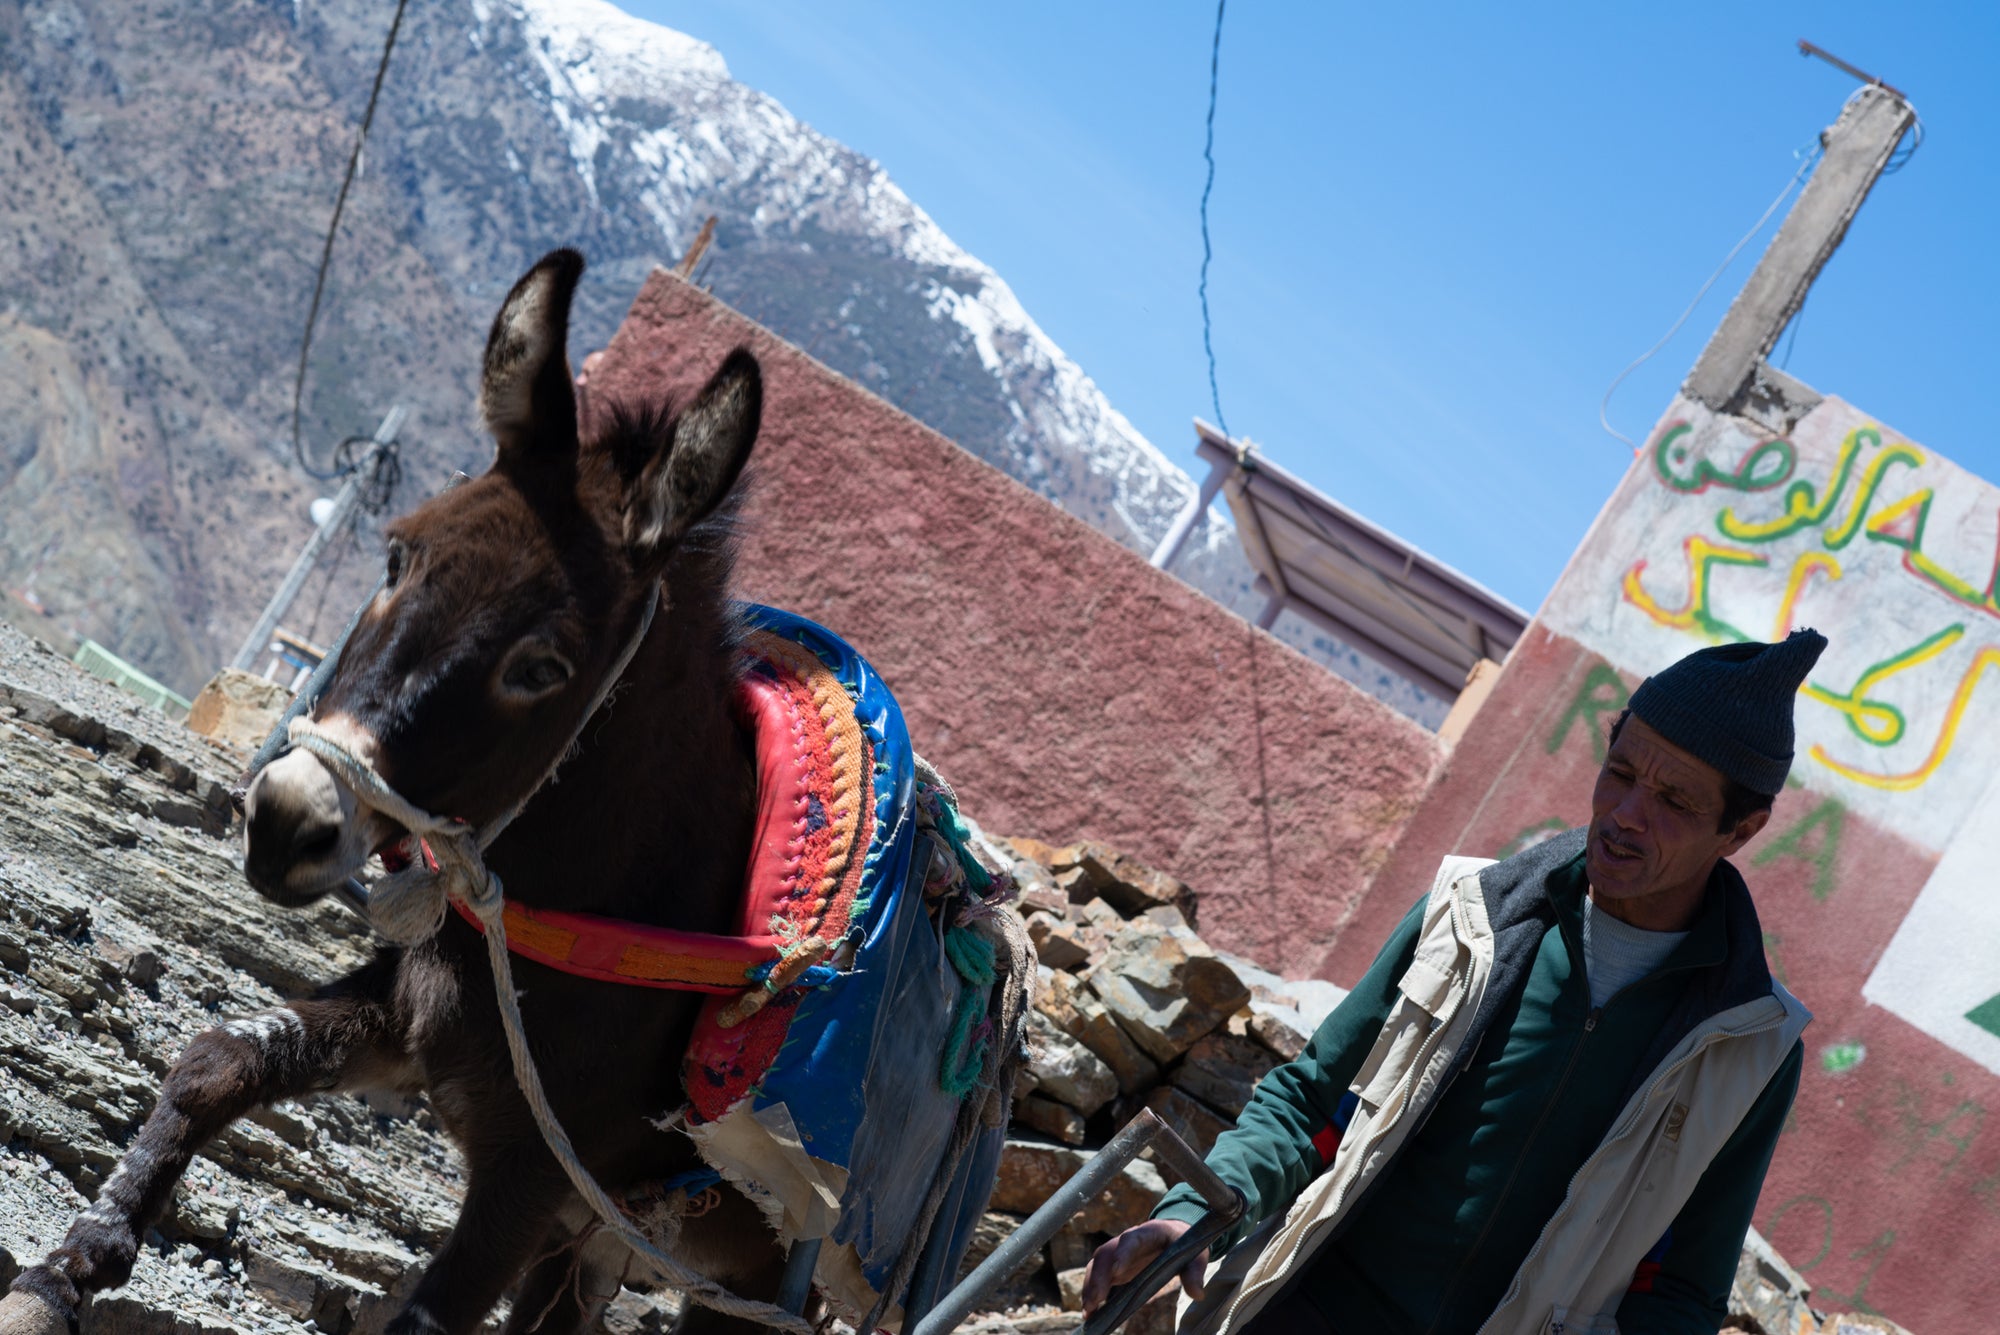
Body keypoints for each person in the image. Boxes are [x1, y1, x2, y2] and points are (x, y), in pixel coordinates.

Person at [1081, 632, 1825, 1335]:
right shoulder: (1468, 915)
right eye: (1621, 773)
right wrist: (1193, 1214)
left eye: (1674, 801)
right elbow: (1309, 1100)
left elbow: (1682, 1291)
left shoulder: (1751, 1046)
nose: (1626, 815)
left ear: (1741, 831)